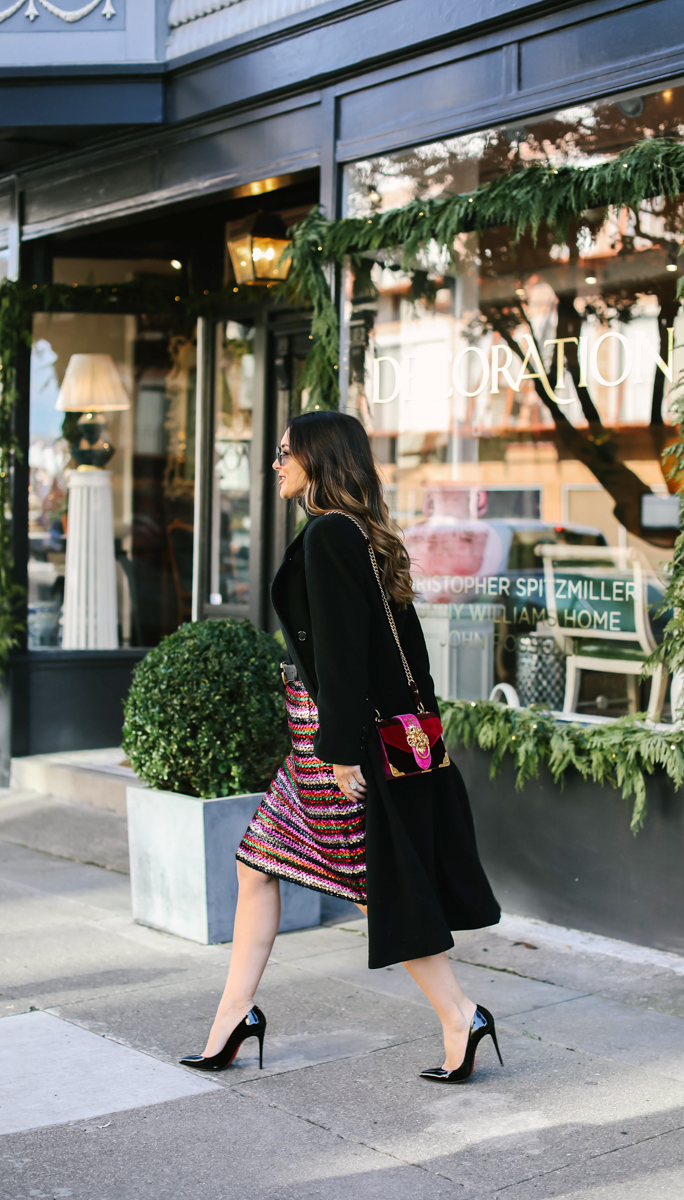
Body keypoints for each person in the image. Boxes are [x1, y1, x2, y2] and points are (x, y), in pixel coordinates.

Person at [180, 410, 502, 1084]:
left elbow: (343, 653)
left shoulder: (330, 533)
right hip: (336, 738)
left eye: (285, 451)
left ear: (320, 460)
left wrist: (342, 753)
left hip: (335, 743)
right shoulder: (359, 534)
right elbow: (404, 651)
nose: (276, 463)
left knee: (369, 883)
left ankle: (459, 1014)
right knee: (258, 864)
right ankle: (233, 1013)